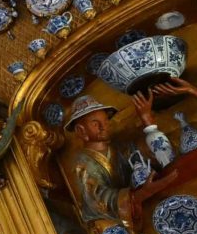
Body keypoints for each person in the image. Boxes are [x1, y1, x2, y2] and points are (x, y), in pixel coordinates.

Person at [63, 93, 171, 224]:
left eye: (105, 121)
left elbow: (155, 159)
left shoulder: (121, 149)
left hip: (142, 211)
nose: (104, 127)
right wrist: (138, 195)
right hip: (110, 225)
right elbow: (95, 198)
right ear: (81, 131)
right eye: (95, 124)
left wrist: (148, 122)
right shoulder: (81, 163)